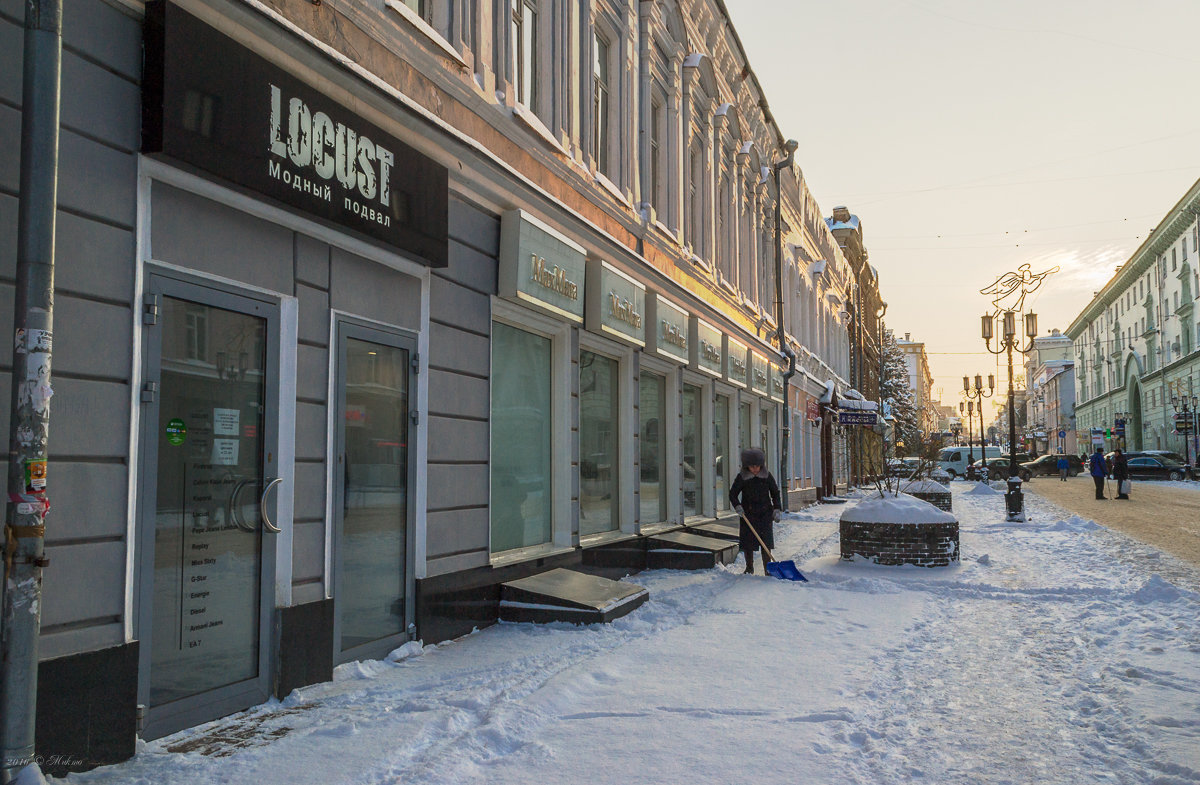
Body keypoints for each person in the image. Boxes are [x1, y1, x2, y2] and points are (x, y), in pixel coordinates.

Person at [729, 447, 782, 574]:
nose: (755, 469)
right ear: (747, 466)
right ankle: (749, 567)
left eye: (757, 466)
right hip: (748, 514)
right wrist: (738, 506)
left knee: (766, 543)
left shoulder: (767, 476)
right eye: (752, 467)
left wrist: (776, 509)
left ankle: (768, 569)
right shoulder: (742, 477)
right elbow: (733, 494)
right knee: (748, 543)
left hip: (765, 514)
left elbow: (775, 493)